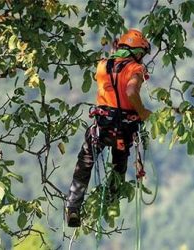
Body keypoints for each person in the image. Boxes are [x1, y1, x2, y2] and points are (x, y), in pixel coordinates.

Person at [65, 29, 152, 227]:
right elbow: (130, 90)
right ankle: (112, 203)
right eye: (141, 54)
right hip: (123, 129)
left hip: (102, 127)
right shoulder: (136, 69)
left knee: (86, 161)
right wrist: (142, 111)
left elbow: (115, 71)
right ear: (136, 52)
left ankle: (73, 207)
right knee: (119, 164)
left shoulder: (103, 65)